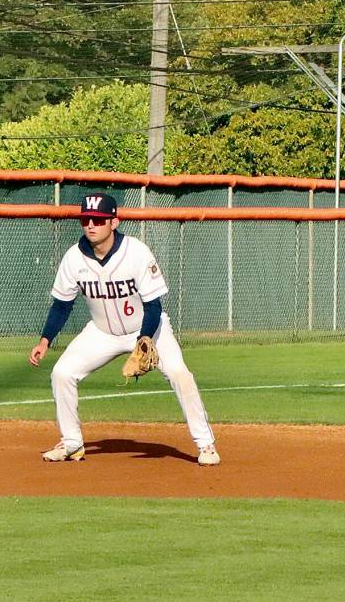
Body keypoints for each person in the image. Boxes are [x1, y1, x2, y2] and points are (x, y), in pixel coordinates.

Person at [29, 193, 220, 467]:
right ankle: (71, 443)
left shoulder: (136, 252)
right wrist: (45, 340)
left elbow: (153, 305)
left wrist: (144, 339)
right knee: (62, 373)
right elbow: (62, 305)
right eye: (86, 219)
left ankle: (206, 445)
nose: (91, 224)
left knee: (179, 373)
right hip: (101, 332)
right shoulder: (74, 258)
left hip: (146, 330)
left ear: (114, 222)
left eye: (98, 219)